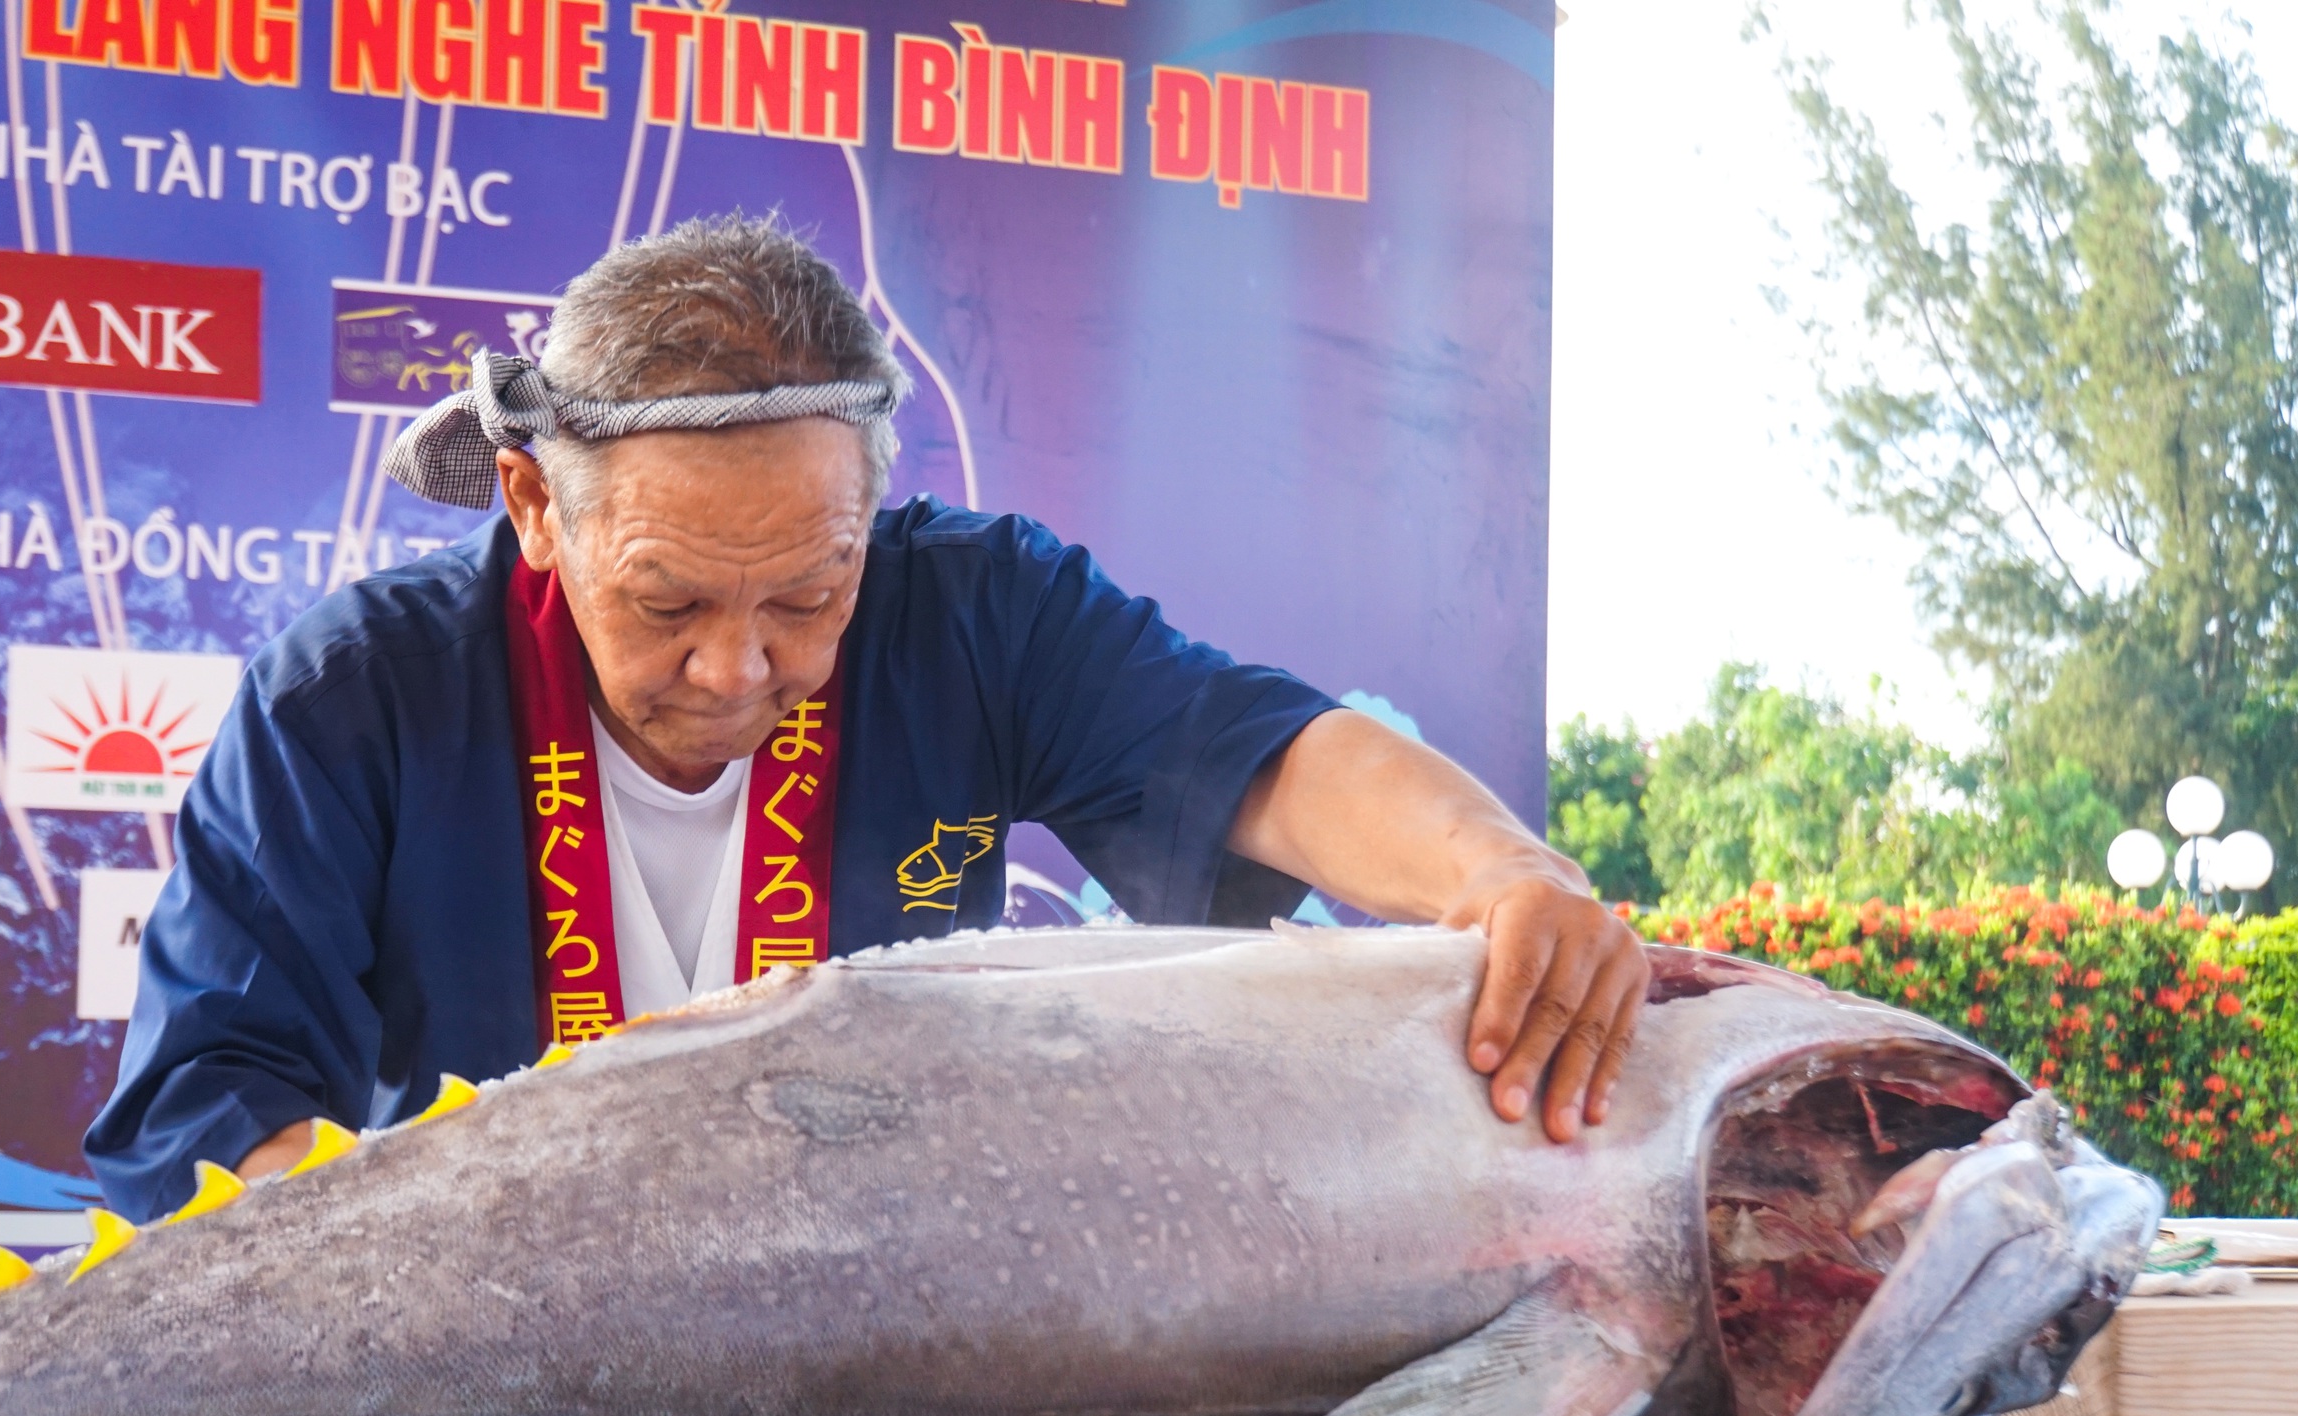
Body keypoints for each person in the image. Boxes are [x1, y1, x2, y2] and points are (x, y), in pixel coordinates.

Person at [84, 214, 1647, 1221]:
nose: (740, 670)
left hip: (873, 1319)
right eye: (672, 602)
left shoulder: (976, 612)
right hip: (485, 1355)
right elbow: (210, 1117)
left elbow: (1264, 755)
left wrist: (1505, 876)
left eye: (809, 596)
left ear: (870, 521)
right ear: (533, 506)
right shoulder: (353, 697)